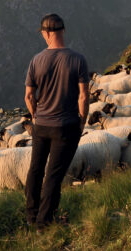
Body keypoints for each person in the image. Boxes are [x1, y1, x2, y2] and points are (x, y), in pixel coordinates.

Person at [24, 13, 89, 228]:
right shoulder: (77, 59)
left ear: (47, 33)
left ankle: (32, 216)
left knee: (36, 169)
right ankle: (45, 222)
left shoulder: (36, 60)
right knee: (53, 174)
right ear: (63, 31)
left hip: (41, 125)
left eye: (43, 33)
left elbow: (29, 96)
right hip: (66, 125)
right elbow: (83, 95)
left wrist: (35, 115)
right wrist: (83, 120)